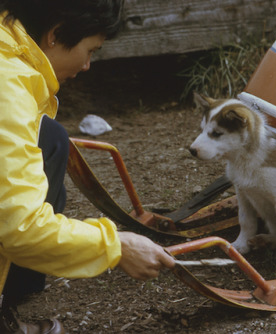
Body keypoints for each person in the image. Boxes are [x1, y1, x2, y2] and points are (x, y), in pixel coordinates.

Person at [0, 1, 176, 332]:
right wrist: (116, 247)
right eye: (90, 50)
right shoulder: (7, 89)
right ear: (55, 35)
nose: (87, 66)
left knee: (49, 138)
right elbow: (22, 230)